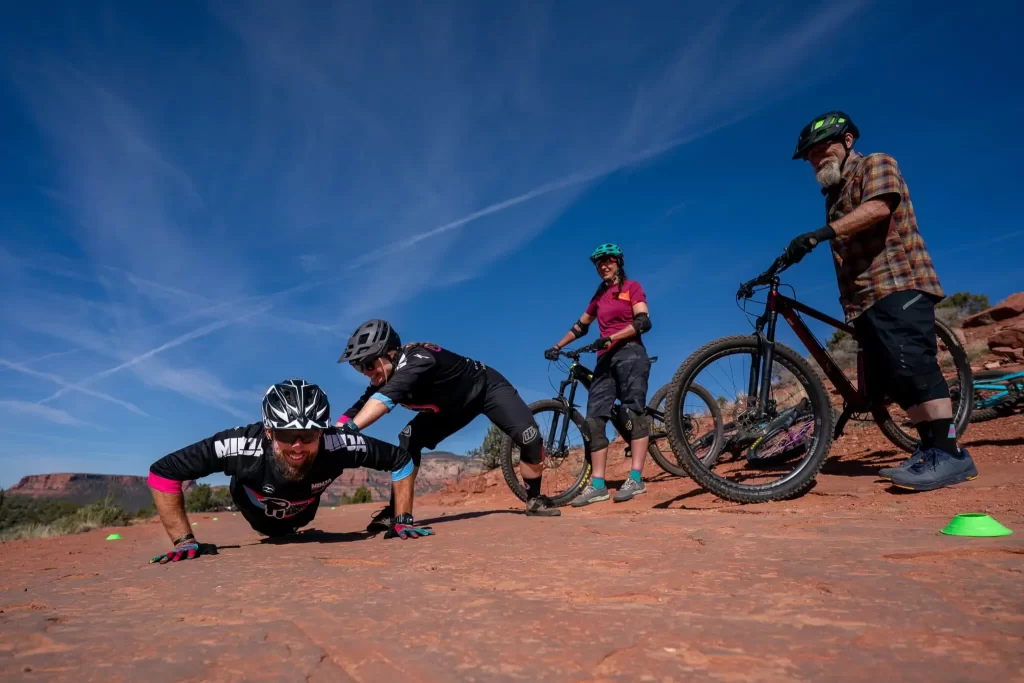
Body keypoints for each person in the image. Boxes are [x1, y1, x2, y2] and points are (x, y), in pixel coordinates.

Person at [785, 110, 977, 491]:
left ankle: (951, 454)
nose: (816, 158)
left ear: (848, 141)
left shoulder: (875, 163)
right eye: (810, 155)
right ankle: (930, 449)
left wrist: (821, 233)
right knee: (897, 377)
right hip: (863, 299)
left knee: (914, 366)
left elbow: (880, 207)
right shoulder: (834, 195)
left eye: (822, 148)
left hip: (897, 281)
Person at [147, 378, 431, 563]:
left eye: (308, 436)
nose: (297, 446)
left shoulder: (339, 443)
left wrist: (402, 519)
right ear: (269, 432)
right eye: (286, 435)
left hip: (303, 514)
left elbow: (401, 460)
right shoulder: (239, 445)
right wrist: (183, 541)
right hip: (254, 511)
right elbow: (163, 473)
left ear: (322, 431)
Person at [336, 319, 560, 526]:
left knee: (529, 437)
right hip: (452, 409)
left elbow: (381, 403)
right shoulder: (385, 376)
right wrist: (333, 432)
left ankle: (535, 499)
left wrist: (349, 430)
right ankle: (396, 511)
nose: (365, 372)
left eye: (368, 364)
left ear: (390, 353)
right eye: (358, 367)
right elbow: (359, 407)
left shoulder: (418, 360)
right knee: (409, 439)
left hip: (486, 389)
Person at [544, 243, 653, 505]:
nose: (603, 266)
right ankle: (598, 485)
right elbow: (581, 326)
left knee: (632, 412)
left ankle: (636, 478)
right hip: (604, 360)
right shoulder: (599, 295)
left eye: (608, 261)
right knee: (594, 419)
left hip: (630, 352)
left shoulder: (631, 287)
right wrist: (557, 346)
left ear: (618, 263)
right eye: (599, 263)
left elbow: (643, 321)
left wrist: (612, 337)